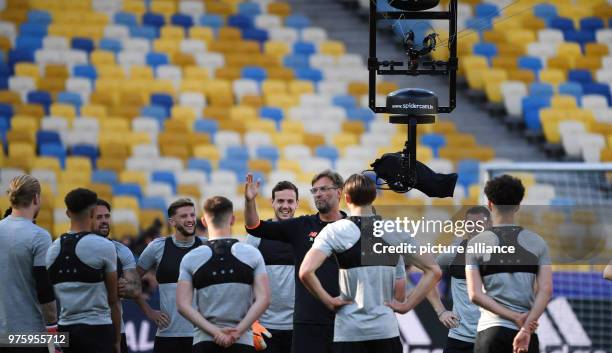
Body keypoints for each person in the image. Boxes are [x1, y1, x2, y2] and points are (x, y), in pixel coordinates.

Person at [299, 174, 441, 353]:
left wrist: (328, 301)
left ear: (347, 198)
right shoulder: (394, 230)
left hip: (349, 332)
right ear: (374, 197)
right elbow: (434, 271)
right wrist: (406, 306)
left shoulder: (336, 230)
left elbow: (305, 272)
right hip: (385, 331)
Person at [245, 170, 345, 353]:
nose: (319, 193)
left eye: (324, 189)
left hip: (346, 321)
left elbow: (385, 269)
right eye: (315, 190)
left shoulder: (358, 226)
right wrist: (250, 201)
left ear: (340, 193)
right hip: (304, 324)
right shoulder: (301, 226)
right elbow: (254, 227)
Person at [466, 175, 552, 353]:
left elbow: (474, 294)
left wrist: (513, 317)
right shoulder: (537, 242)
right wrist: (525, 326)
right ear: (518, 206)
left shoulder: (476, 243)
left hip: (491, 332)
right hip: (526, 334)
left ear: (489, 204)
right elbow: (546, 290)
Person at [177, 196, 270, 353]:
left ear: (204, 222)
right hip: (243, 341)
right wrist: (238, 332)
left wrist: (216, 332)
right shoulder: (252, 254)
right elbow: (265, 299)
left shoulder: (191, 258)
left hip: (204, 342)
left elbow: (182, 305)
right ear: (233, 220)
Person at [46, 188, 121, 353]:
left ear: (67, 213)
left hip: (65, 329)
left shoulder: (52, 249)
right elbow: (113, 300)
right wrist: (117, 342)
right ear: (93, 212)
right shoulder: (104, 246)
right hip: (98, 329)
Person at [136, 198, 205, 353]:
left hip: (202, 336)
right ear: (172, 222)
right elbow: (130, 282)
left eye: (192, 215)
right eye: (184, 216)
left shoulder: (206, 246)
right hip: (168, 336)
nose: (190, 220)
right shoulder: (157, 247)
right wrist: (148, 310)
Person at [0, 175, 56, 353]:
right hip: (29, 333)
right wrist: (53, 337)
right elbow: (45, 290)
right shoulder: (39, 236)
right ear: (36, 198)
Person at [424, 206, 492, 353]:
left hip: (492, 338)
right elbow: (428, 278)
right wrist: (441, 312)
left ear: (489, 225)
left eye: (479, 223)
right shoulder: (455, 252)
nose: (474, 228)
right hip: (459, 338)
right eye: (470, 224)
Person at [245, 181, 298, 353]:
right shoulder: (256, 237)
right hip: (264, 327)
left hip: (298, 326)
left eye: (290, 202)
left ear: (297, 203)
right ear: (272, 202)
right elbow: (245, 280)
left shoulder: (304, 234)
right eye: (280, 201)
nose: (285, 206)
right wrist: (250, 321)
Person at [92, 199, 141, 353]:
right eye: (99, 217)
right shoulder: (78, 248)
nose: (104, 221)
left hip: (116, 328)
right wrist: (113, 285)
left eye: (107, 216)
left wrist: (125, 287)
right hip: (85, 327)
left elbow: (135, 290)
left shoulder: (121, 250)